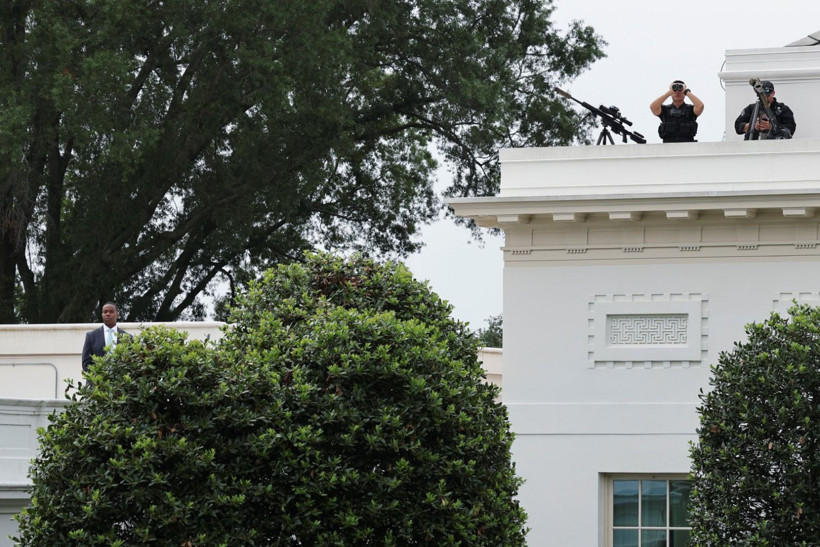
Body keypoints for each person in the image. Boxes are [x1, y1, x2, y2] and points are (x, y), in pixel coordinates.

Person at [82, 302, 128, 371]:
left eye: (111, 312)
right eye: (105, 312)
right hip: (97, 380)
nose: (108, 314)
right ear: (102, 315)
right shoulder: (91, 336)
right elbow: (86, 363)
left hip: (120, 380)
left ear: (117, 315)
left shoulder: (127, 337)